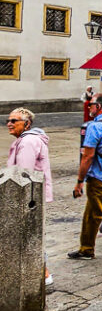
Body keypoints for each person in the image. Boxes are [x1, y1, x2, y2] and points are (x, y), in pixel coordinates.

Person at [6, 107, 54, 287]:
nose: (9, 124)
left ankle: (44, 274)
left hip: (28, 197)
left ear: (27, 124)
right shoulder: (27, 140)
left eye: (14, 121)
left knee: (29, 235)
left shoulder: (27, 142)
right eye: (8, 121)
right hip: (32, 196)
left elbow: (23, 174)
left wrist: (16, 200)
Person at [69, 93, 102, 259]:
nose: (88, 106)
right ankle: (86, 248)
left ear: (98, 107)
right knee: (91, 214)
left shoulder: (94, 126)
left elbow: (88, 156)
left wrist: (79, 181)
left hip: (98, 178)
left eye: (90, 104)